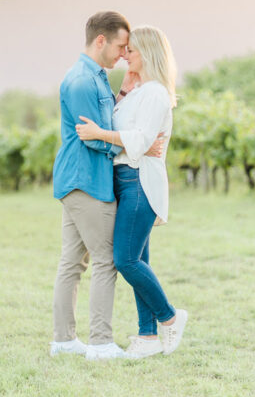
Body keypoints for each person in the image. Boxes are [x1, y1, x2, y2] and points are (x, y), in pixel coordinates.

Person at [50, 11, 164, 361]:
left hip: (77, 179)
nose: (123, 54)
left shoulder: (94, 77)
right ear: (101, 41)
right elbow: (94, 137)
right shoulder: (84, 81)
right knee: (105, 260)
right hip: (87, 179)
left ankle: (65, 341)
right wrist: (139, 145)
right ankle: (100, 342)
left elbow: (103, 124)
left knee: (73, 262)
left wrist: (125, 91)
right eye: (119, 46)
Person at [76, 25, 187, 359]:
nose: (124, 55)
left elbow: (138, 142)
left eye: (131, 51)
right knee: (140, 259)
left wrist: (99, 133)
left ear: (148, 54)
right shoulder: (139, 91)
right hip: (124, 180)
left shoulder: (155, 93)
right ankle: (147, 336)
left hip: (139, 182)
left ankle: (169, 316)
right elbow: (127, 128)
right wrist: (123, 93)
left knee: (125, 260)